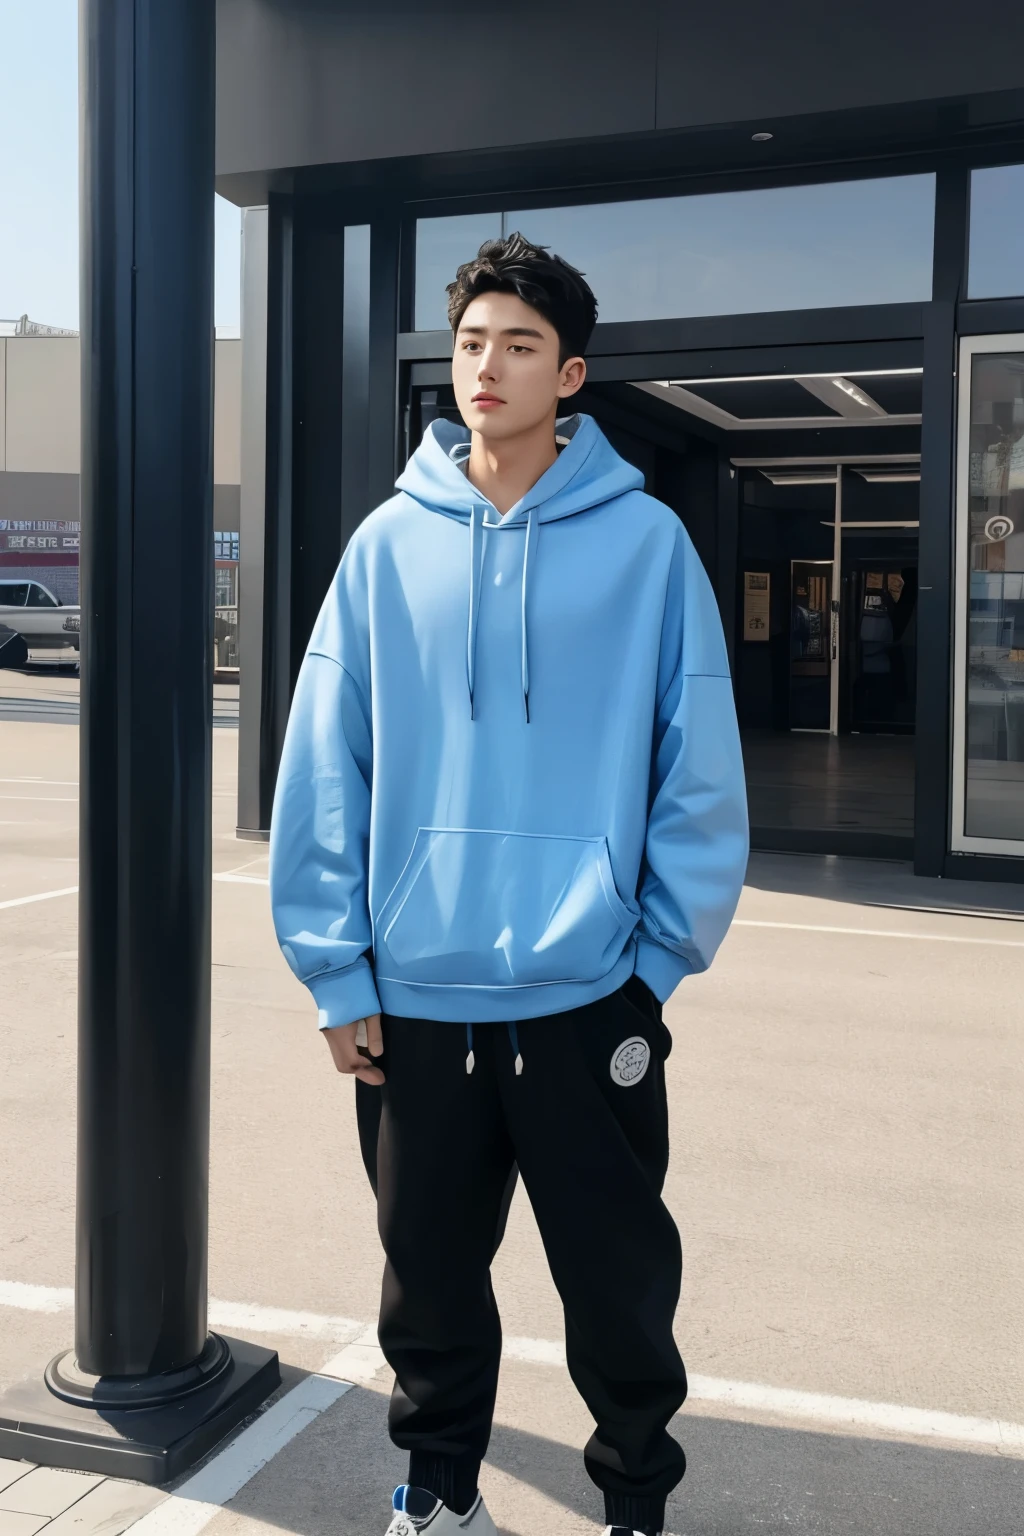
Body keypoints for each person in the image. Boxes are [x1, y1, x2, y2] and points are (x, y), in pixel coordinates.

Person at [270, 233, 749, 1536]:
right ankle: (437, 1498)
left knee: (617, 1283)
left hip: (589, 996)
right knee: (425, 1279)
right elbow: (326, 765)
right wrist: (336, 970)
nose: (487, 365)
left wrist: (652, 970)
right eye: (473, 341)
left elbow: (695, 770)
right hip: (416, 1006)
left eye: (520, 345)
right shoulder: (384, 548)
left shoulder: (646, 548)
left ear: (571, 374)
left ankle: (635, 1506)